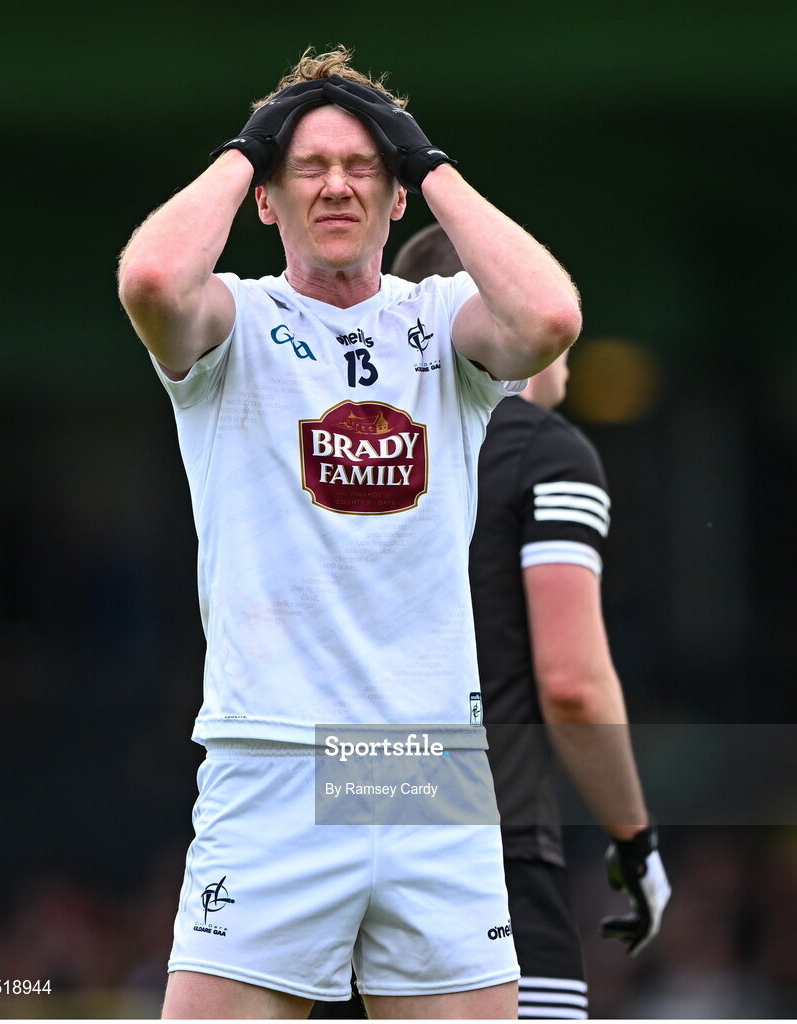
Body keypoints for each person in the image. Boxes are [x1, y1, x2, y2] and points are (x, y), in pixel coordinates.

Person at [117, 45, 581, 1020]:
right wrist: (252, 141)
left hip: (426, 764)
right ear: (265, 199)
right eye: (309, 167)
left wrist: (432, 161)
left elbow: (548, 317)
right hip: (277, 753)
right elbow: (153, 276)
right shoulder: (231, 321)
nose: (337, 185)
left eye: (363, 167)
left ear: (398, 193)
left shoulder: (442, 317)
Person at [391, 223, 671, 1019]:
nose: (567, 338)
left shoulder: (355, 448)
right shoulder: (545, 450)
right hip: (490, 852)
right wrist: (634, 841)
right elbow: (573, 684)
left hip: (338, 837)